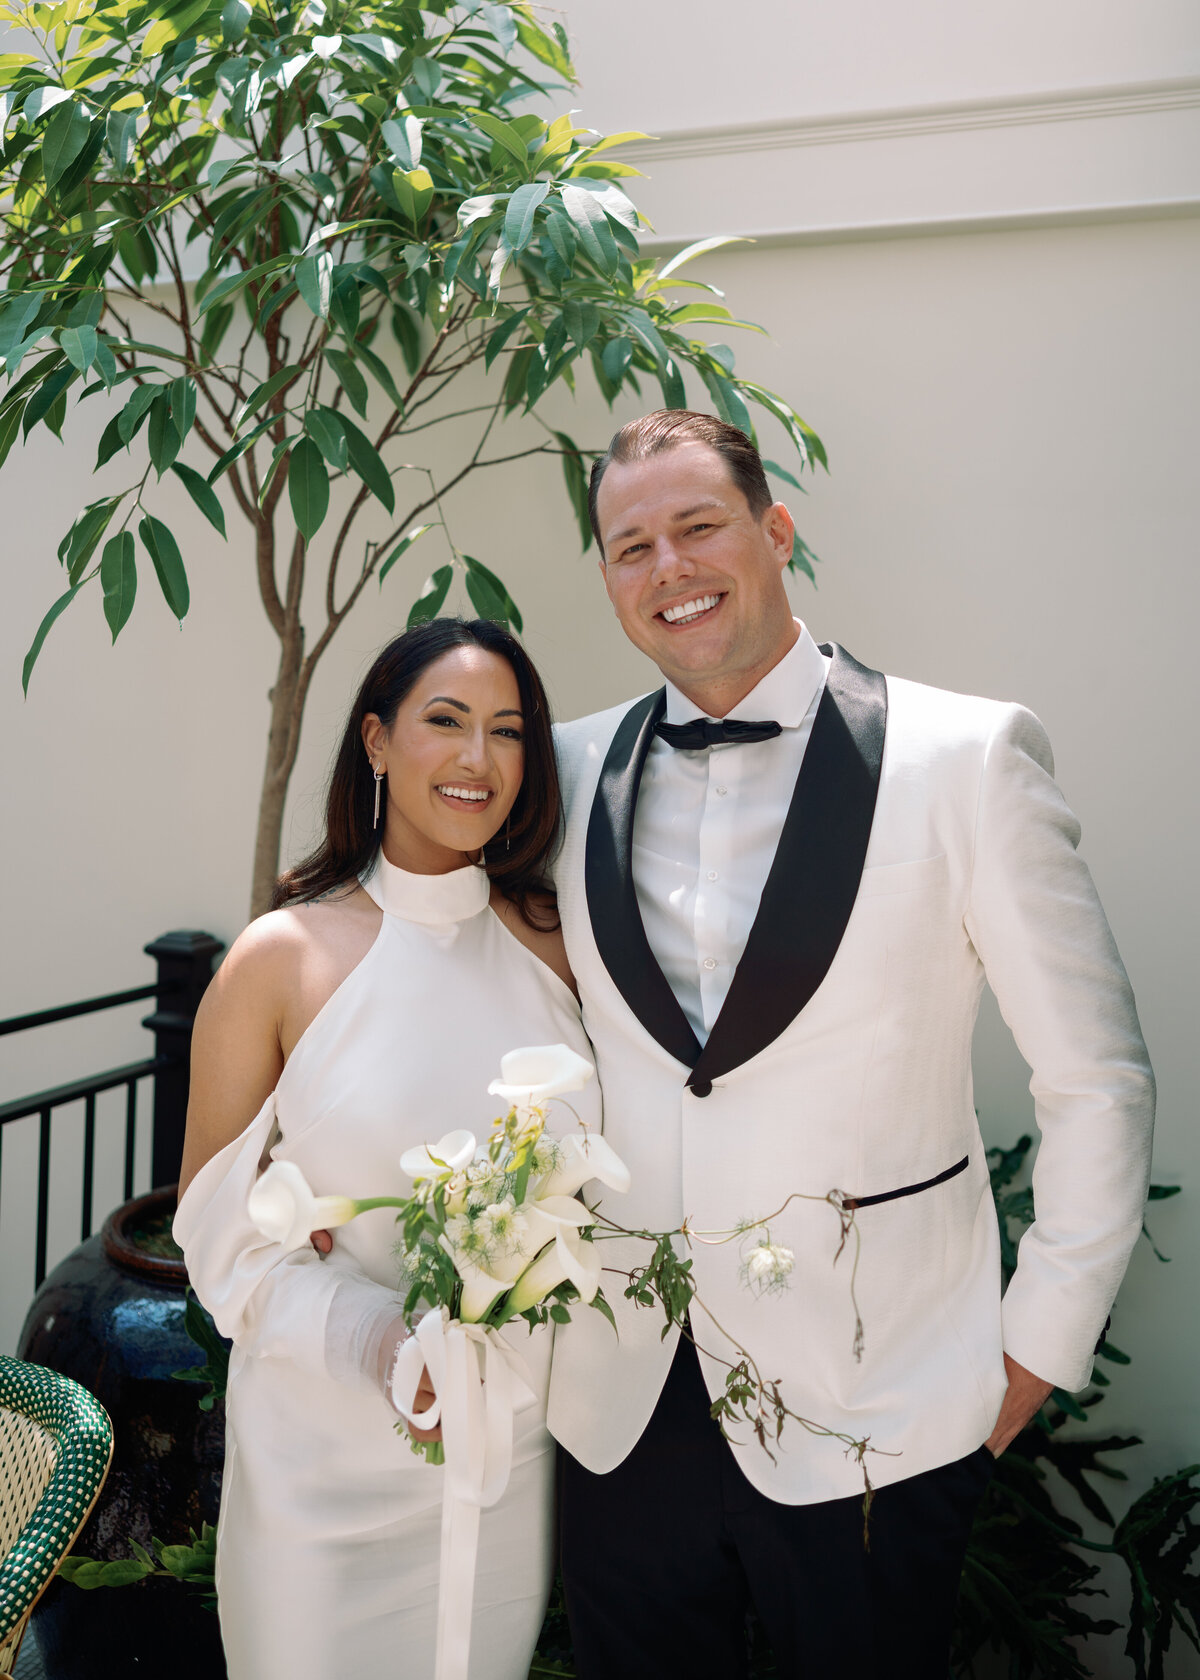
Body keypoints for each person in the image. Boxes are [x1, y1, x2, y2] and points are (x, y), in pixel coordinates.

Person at [546, 410, 1155, 1678]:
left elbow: (1096, 1081)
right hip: (621, 1407)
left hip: (885, 1402)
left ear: (775, 531)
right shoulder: (558, 772)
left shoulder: (967, 759)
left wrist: (1030, 1355)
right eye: (630, 546)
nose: (670, 566)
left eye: (699, 525)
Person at [173, 619, 599, 1680]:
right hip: (320, 1476)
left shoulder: (558, 943)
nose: (476, 760)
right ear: (374, 741)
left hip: (506, 1460)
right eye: (443, 723)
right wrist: (380, 1342)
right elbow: (219, 1240)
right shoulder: (283, 957)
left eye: (507, 732)